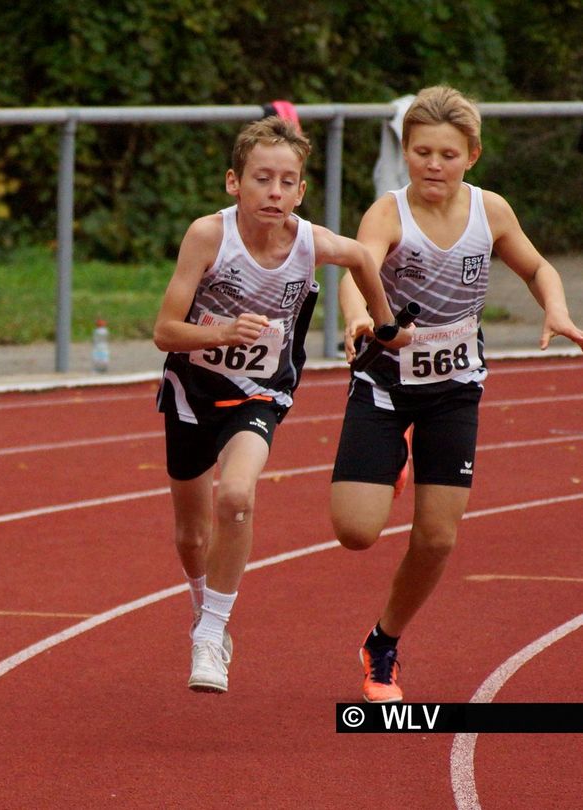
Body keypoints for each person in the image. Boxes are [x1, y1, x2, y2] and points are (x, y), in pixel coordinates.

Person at [330, 85, 583, 704]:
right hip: (385, 384)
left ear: (471, 155)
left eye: (447, 154)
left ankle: (383, 645)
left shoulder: (489, 211)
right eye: (422, 152)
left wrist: (554, 308)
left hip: (454, 388)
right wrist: (359, 319)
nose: (434, 165)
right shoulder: (388, 214)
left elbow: (538, 267)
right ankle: (395, 452)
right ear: (406, 152)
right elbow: (358, 272)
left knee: (438, 538)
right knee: (355, 531)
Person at [153, 116, 403, 694]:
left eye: (287, 182)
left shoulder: (310, 243)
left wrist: (385, 325)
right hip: (192, 392)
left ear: (301, 191)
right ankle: (204, 608)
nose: (274, 192)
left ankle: (210, 634)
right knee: (191, 537)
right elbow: (165, 331)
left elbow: (362, 259)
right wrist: (221, 333)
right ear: (234, 182)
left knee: (237, 495)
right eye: (262, 179)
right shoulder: (208, 236)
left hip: (260, 392)